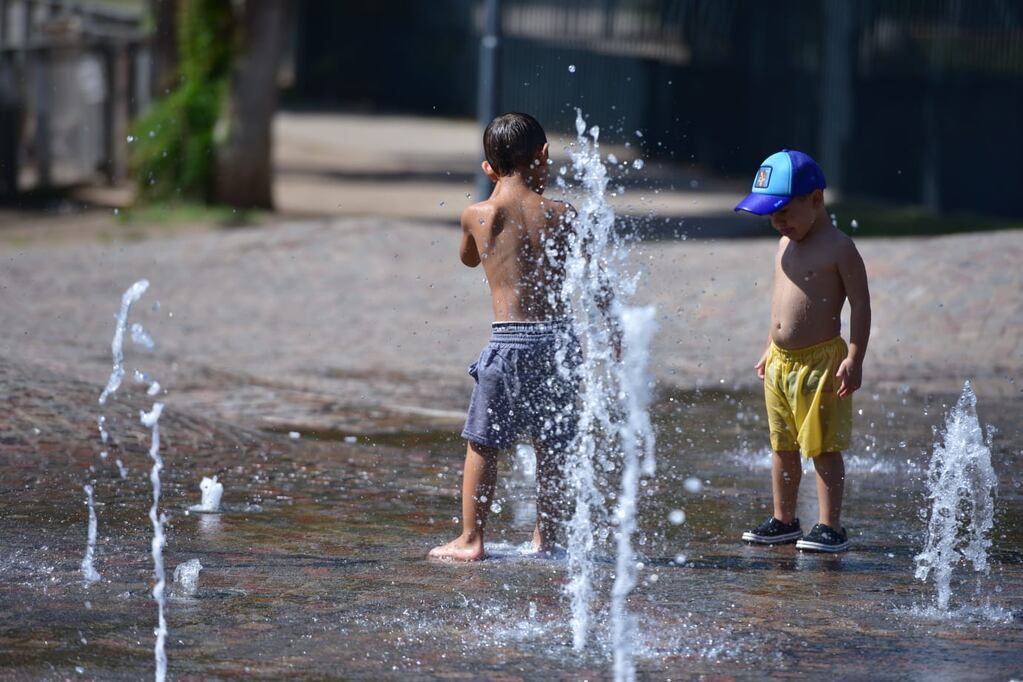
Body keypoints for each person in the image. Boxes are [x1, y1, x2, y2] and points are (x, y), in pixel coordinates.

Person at [428, 112, 582, 562]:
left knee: (483, 442)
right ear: (544, 155)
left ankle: (471, 539)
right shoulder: (563, 214)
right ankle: (547, 539)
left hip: (508, 342)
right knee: (552, 443)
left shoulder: (480, 215)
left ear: (487, 168)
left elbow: (469, 260)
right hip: (557, 343)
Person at [734, 150, 871, 553]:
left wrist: (855, 357)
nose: (778, 222)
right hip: (780, 363)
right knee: (783, 444)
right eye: (771, 216)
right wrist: (768, 346)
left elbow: (860, 304)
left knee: (824, 446)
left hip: (821, 363)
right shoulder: (783, 244)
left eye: (785, 212)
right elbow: (780, 305)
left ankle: (831, 526)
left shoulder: (839, 248)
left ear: (816, 199)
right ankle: (784, 519)